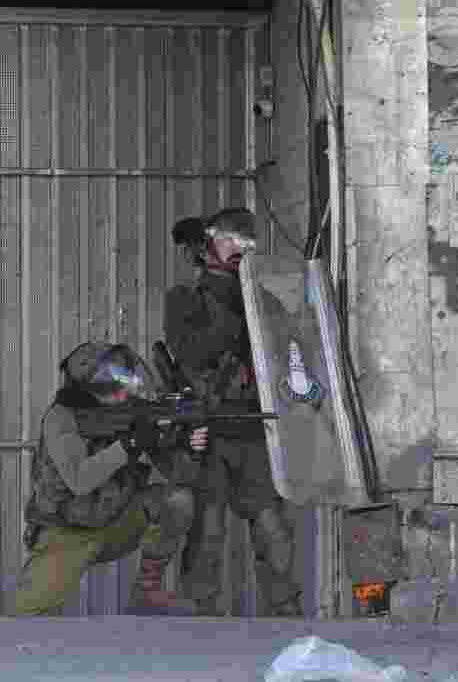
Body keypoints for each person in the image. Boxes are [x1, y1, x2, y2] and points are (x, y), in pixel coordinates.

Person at [166, 208, 302, 617]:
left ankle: (286, 617)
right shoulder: (186, 298)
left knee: (273, 530)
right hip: (209, 430)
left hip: (256, 429)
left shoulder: (261, 301)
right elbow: (196, 351)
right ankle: (201, 624)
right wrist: (224, 291)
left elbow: (289, 349)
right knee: (207, 532)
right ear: (208, 247)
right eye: (231, 242)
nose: (242, 250)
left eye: (247, 243)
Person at [8, 342, 207, 616]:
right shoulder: (60, 418)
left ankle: (147, 591)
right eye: (114, 382)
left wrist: (187, 447)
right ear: (89, 387)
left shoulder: (133, 415)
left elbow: (179, 476)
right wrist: (129, 445)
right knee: (25, 619)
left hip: (115, 524)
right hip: (68, 533)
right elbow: (79, 479)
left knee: (178, 500)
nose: (125, 389)